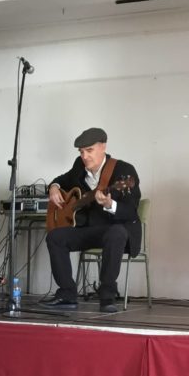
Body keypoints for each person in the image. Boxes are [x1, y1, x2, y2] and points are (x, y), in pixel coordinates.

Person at [41, 127, 142, 313]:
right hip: (89, 229)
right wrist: (54, 187)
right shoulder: (79, 166)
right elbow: (62, 179)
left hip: (115, 230)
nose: (84, 156)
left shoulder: (124, 171)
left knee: (117, 232)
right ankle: (67, 294)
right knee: (55, 237)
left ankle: (107, 295)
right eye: (81, 152)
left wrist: (110, 204)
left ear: (103, 147)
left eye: (89, 150)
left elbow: (131, 212)